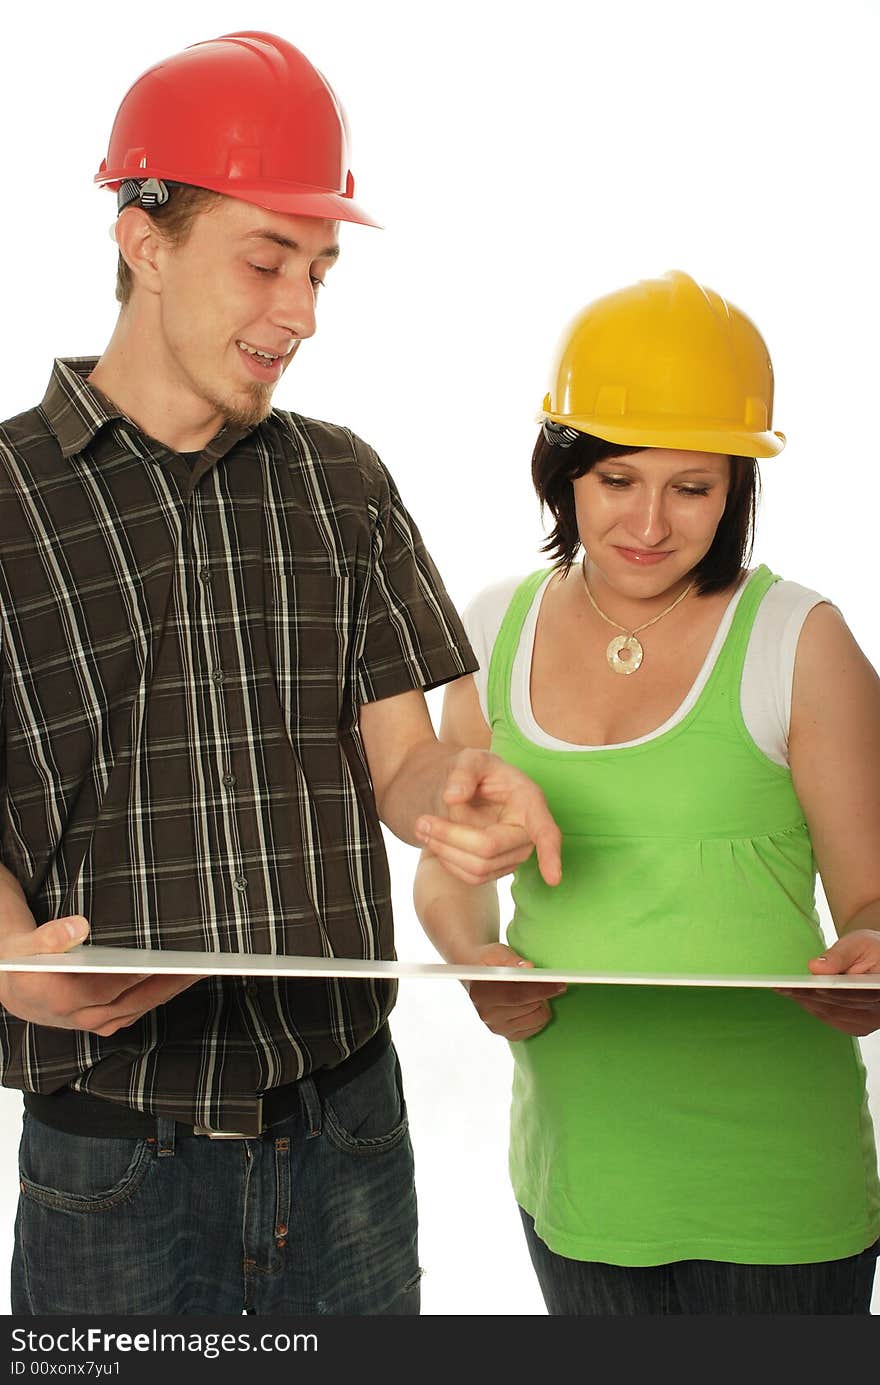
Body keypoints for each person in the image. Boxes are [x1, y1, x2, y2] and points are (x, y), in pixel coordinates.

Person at [0, 31, 561, 1317]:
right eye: (265, 260)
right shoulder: (4, 499)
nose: (301, 312)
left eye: (318, 269)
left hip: (348, 1133)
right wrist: (9, 952)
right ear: (144, 238)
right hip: (110, 1156)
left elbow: (401, 760)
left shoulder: (341, 480)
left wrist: (451, 794)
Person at [413, 269, 880, 1315]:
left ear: (736, 489)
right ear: (563, 470)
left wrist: (871, 955)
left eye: (694, 486)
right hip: (576, 1180)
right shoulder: (491, 631)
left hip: (776, 1200)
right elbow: (450, 870)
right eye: (618, 478)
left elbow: (871, 899)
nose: (651, 523)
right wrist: (471, 955)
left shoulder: (800, 642)